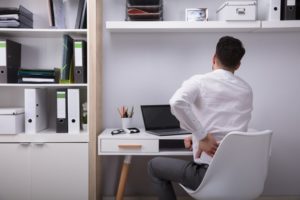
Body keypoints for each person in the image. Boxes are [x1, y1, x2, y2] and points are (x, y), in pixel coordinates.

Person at [148, 36, 253, 200]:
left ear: (213, 58)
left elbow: (177, 102)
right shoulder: (246, 89)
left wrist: (202, 136)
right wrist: (196, 135)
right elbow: (225, 124)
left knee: (154, 166)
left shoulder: (200, 81)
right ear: (238, 65)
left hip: (208, 176)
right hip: (239, 176)